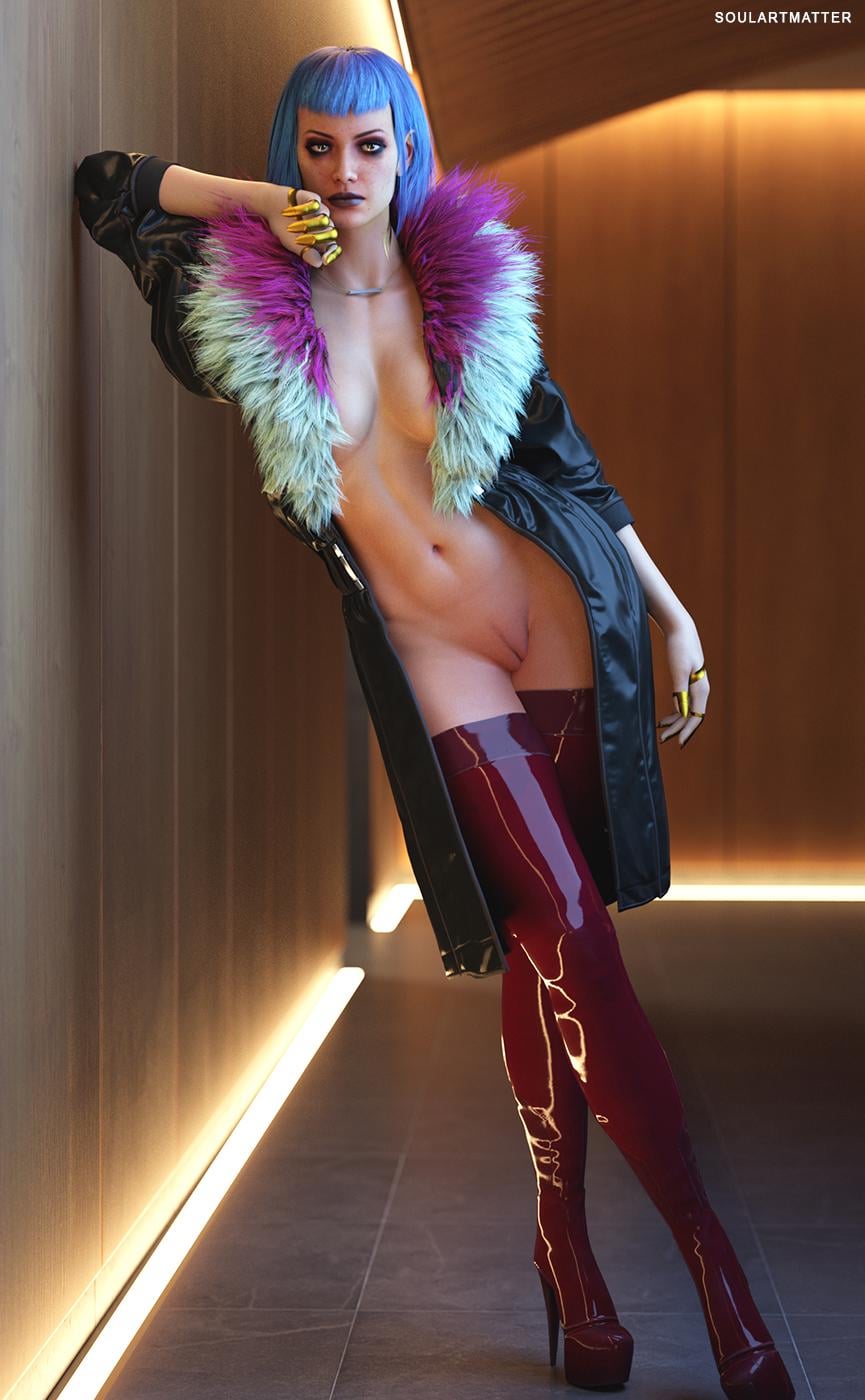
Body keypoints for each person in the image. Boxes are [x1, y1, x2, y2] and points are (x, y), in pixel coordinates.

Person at [73, 44, 794, 1399]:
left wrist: (674, 611)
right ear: (292, 155)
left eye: (370, 146)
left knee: (547, 943)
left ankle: (565, 1253)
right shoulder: (232, 301)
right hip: (436, 657)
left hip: (551, 614)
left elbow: (568, 461)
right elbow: (104, 187)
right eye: (318, 147)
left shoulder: (467, 286)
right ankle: (715, 1265)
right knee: (568, 927)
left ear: (408, 153)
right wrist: (248, 203)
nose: (344, 172)